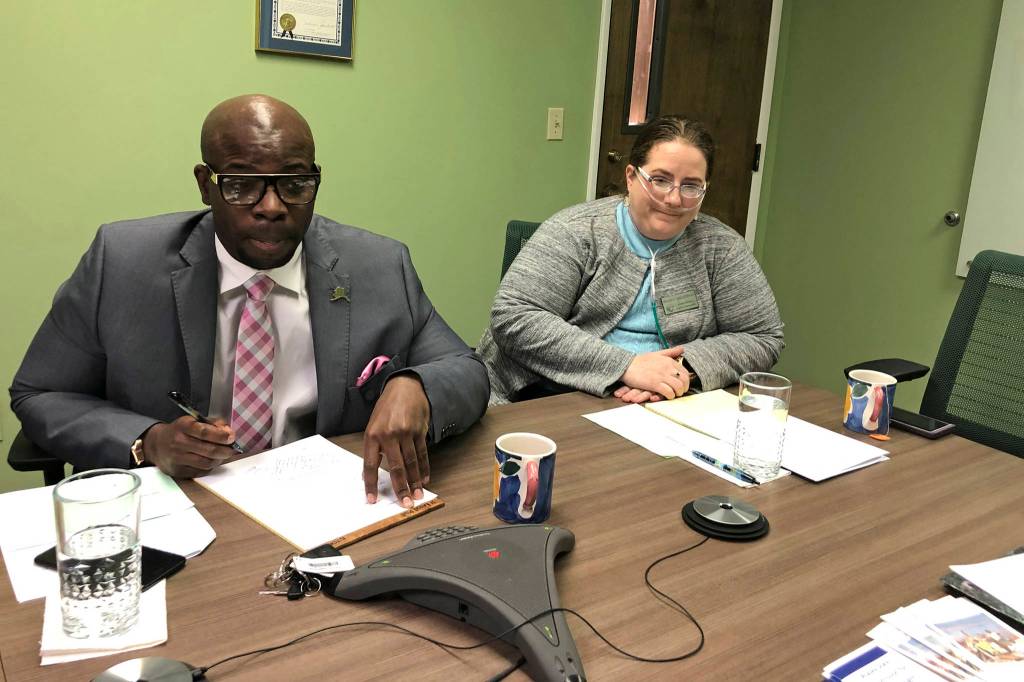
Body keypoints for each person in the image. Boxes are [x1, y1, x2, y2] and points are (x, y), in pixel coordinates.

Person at [10, 94, 489, 507]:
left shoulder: (379, 265)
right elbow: (42, 393)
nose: (272, 207)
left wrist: (416, 386)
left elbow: (465, 370)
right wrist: (147, 442)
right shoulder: (121, 263)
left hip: (327, 505)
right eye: (241, 185)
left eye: (294, 184)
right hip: (182, 507)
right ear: (206, 184)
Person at [478, 115, 783, 404]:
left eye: (691, 186)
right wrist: (626, 367)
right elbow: (514, 315)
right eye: (660, 180)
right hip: (545, 395)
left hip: (664, 404)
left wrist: (679, 369)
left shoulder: (722, 247)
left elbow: (762, 336)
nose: (674, 198)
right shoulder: (575, 231)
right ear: (631, 177)